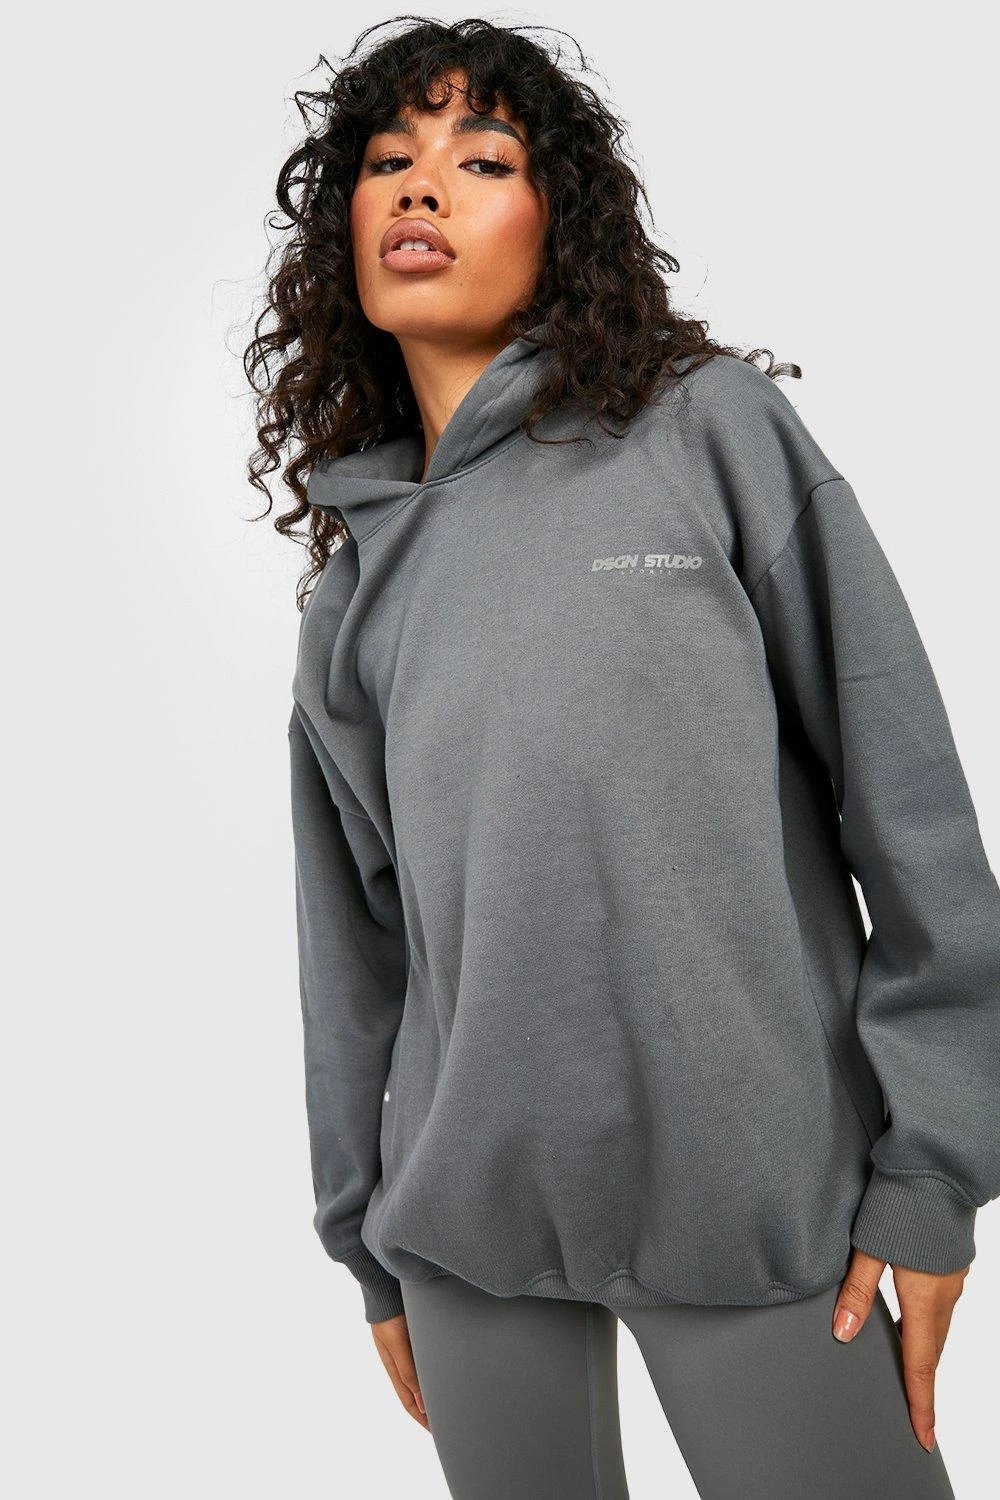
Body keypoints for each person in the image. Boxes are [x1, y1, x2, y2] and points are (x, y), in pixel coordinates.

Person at [245, 19, 1000, 1499]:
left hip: (757, 1196)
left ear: (562, 220)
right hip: (462, 1231)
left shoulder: (705, 432)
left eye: (483, 160)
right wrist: (364, 1242)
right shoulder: (356, 586)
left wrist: (932, 1174)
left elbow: (911, 816)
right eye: (390, 161)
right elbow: (352, 956)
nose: (421, 187)